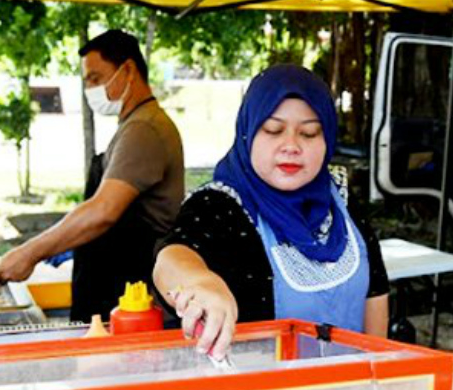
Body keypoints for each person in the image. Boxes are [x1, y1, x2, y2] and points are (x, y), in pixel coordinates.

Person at [153, 64, 389, 359]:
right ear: (248, 133)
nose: (291, 145)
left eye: (310, 133)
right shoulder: (219, 206)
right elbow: (172, 258)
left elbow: (375, 293)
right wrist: (202, 284)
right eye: (273, 130)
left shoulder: (341, 200)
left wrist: (380, 375)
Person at [0, 29, 184, 323]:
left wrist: (30, 252)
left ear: (129, 70)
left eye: (96, 78)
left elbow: (103, 211)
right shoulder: (134, 125)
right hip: (116, 283)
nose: (91, 89)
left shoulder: (144, 130)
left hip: (132, 291)